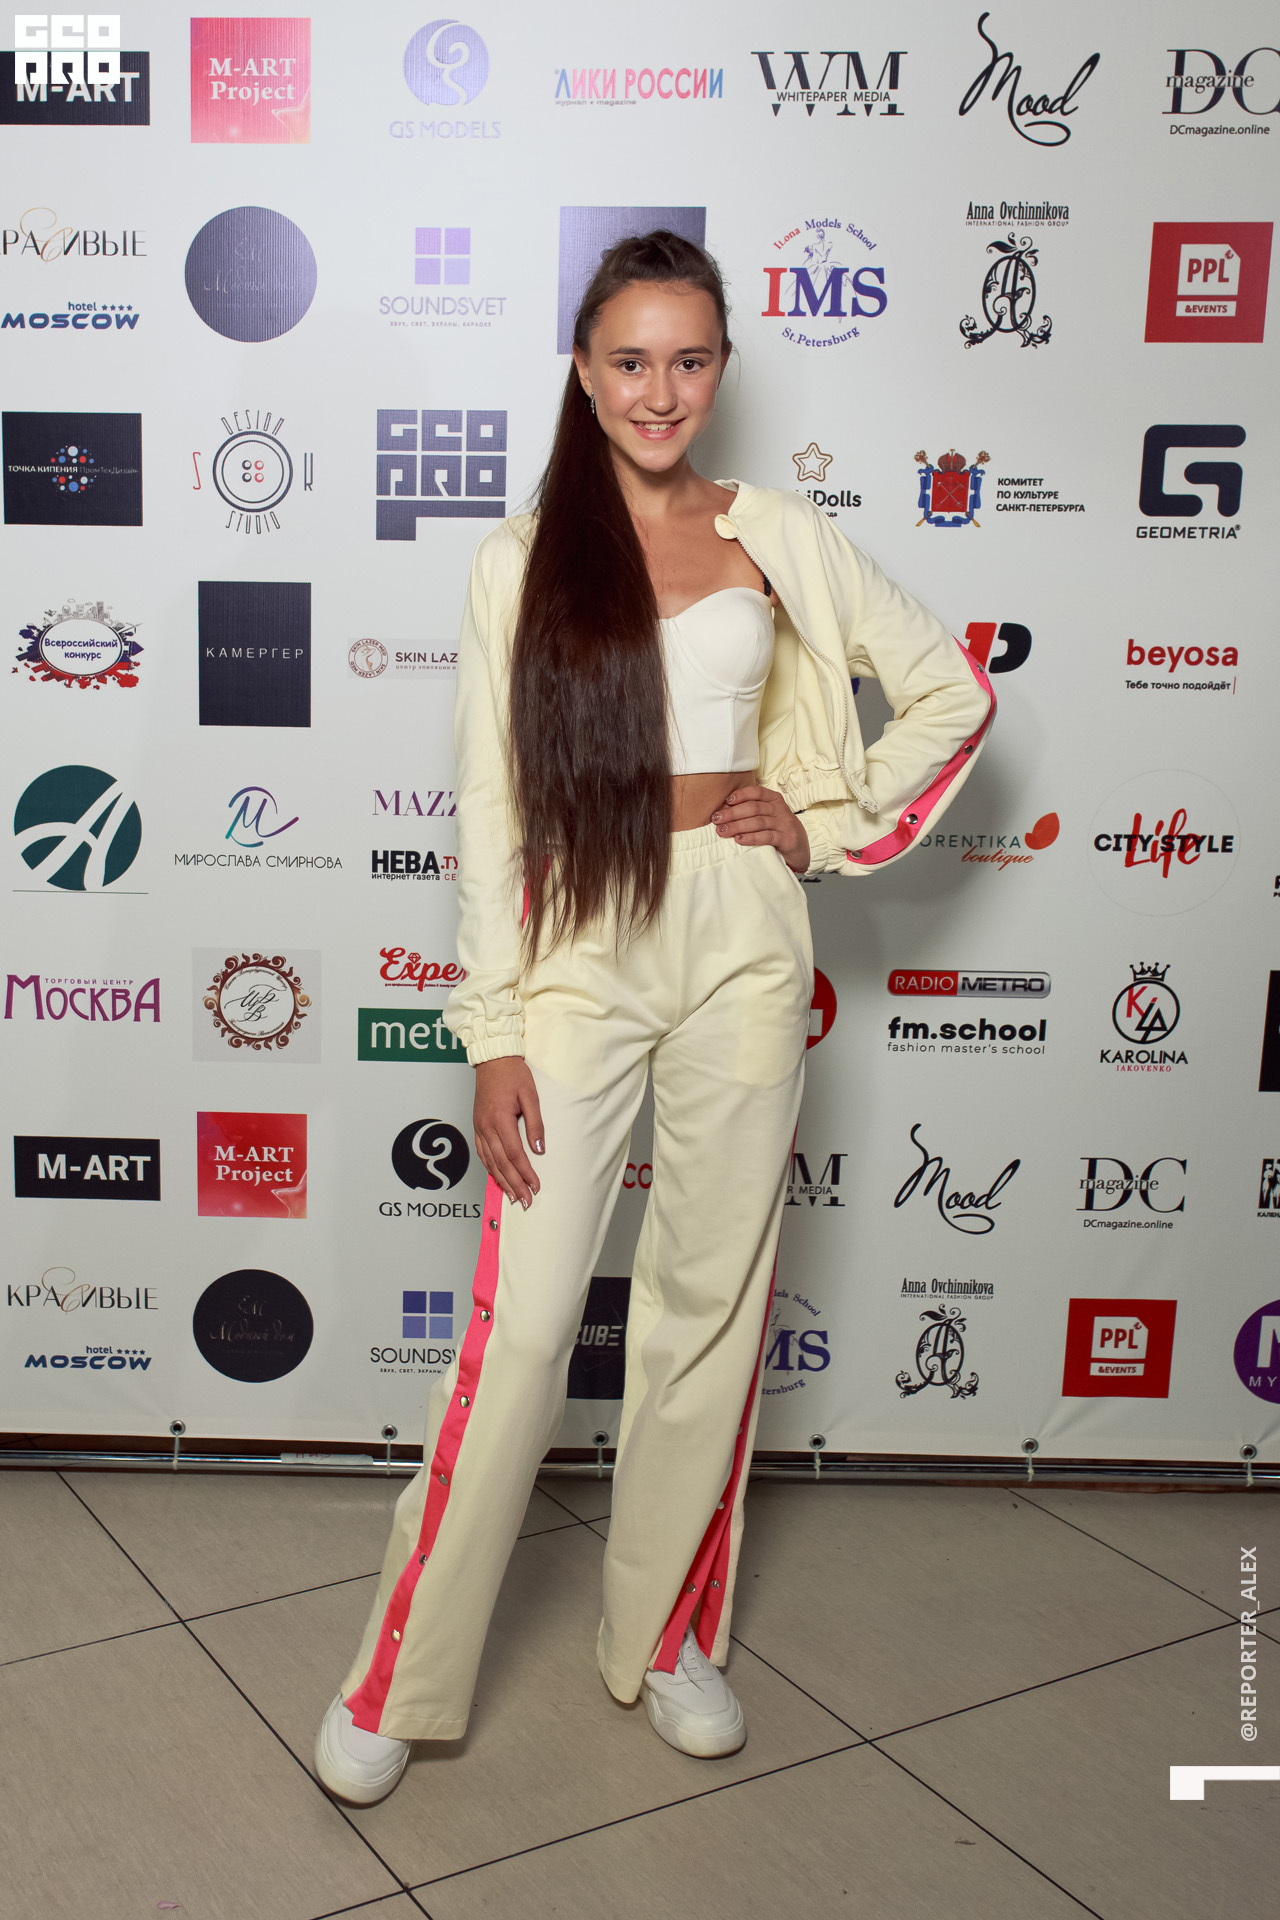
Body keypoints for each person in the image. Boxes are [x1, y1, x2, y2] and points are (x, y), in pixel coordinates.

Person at [315, 231, 994, 1803]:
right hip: (583, 943)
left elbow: (953, 691)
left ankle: (670, 1635)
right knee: (527, 1328)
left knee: (709, 1306)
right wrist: (494, 1031)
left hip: (744, 938)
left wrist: (825, 829)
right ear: (583, 368)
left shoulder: (779, 533)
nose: (660, 390)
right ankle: (404, 1678)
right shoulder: (521, 559)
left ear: (722, 368)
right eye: (630, 360)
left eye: (689, 359)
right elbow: (492, 810)